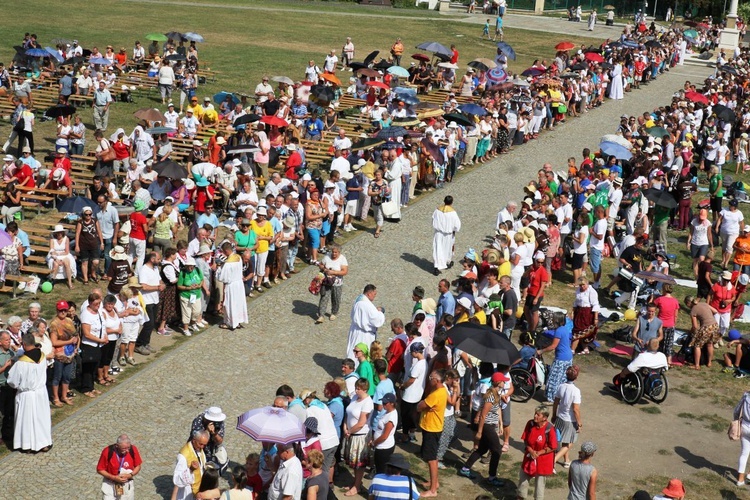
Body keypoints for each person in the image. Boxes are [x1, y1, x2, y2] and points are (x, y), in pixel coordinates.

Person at [458, 371, 508, 488]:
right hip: (487, 426)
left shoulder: (496, 393)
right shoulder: (491, 396)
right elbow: (483, 415)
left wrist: (500, 424)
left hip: (491, 425)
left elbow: (497, 409)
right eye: (503, 381)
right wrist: (479, 432)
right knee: (496, 451)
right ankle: (492, 477)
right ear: (498, 382)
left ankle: (465, 468)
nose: (504, 383)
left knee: (482, 449)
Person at [7, 332, 53, 452]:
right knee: (41, 418)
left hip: (26, 394)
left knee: (26, 420)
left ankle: (27, 445)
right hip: (41, 392)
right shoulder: (42, 356)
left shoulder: (22, 363)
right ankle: (44, 443)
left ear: (25, 344)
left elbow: (12, 381)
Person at [417, 369, 448, 497]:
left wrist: (421, 404)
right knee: (431, 456)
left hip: (432, 429)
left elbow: (420, 406)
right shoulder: (440, 391)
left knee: (431, 459)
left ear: (437, 380)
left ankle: (433, 490)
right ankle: (434, 482)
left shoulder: (435, 394)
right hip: (432, 427)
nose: (429, 379)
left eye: (431, 377)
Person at [517, 406, 558, 500]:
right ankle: (520, 497)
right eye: (535, 413)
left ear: (544, 418)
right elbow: (525, 439)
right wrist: (531, 450)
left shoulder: (549, 429)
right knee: (523, 480)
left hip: (543, 461)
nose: (535, 416)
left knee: (540, 485)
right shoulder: (530, 424)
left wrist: (539, 453)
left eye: (538, 414)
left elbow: (553, 446)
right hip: (529, 457)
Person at [343, 378, 373, 497]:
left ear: (365, 389)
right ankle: (356, 482)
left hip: (360, 436)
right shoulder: (355, 398)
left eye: (359, 389)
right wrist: (345, 427)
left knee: (359, 463)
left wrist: (349, 431)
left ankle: (357, 486)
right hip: (351, 433)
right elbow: (348, 413)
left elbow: (361, 423)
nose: (356, 390)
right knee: (353, 462)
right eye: (356, 388)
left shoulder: (367, 402)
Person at [346, 284, 386, 362]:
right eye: (374, 294)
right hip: (364, 334)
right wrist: (380, 311)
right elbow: (376, 320)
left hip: (355, 330)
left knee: (353, 350)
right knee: (361, 353)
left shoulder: (359, 299)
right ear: (369, 293)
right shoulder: (367, 305)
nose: (374, 296)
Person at [552, 365, 582, 470]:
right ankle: (552, 461)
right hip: (570, 420)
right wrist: (579, 423)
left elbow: (555, 402)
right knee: (569, 443)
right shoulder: (576, 391)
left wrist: (553, 415)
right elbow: (575, 409)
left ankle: (566, 460)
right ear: (576, 377)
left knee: (563, 440)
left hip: (560, 417)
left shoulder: (561, 386)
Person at [97, 434, 143, 500]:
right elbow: (100, 469)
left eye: (128, 448)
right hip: (110, 485)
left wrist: (130, 475)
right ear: (117, 446)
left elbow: (138, 466)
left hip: (127, 485)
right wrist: (114, 478)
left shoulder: (133, 449)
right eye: (124, 448)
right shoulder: (107, 451)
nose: (127, 451)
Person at [216, 242, 248, 330]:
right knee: (238, 303)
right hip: (239, 284)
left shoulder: (228, 264)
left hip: (231, 286)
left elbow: (222, 278)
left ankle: (230, 322)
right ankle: (237, 321)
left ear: (226, 251)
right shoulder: (238, 257)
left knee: (231, 304)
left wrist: (219, 268)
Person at [684, 296, 720, 370]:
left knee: (697, 345)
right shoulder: (704, 303)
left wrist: (691, 332)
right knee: (710, 344)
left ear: (688, 303)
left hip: (706, 327)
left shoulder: (693, 310)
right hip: (714, 325)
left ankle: (697, 365)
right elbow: (715, 311)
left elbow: (695, 326)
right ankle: (709, 363)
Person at [316, 243, 348, 323]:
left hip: (337, 283)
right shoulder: (327, 257)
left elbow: (344, 272)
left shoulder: (342, 259)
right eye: (333, 252)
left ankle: (334, 312)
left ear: (339, 252)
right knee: (324, 298)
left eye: (335, 252)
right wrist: (324, 269)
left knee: (336, 298)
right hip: (326, 282)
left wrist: (333, 272)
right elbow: (321, 265)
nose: (333, 254)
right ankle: (321, 315)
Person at [173, 429, 209, 500]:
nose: (202, 447)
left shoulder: (199, 449)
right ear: (194, 440)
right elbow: (177, 480)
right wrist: (190, 470)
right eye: (200, 444)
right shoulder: (183, 456)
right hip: (187, 492)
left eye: (204, 445)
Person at [190, 407, 227, 471]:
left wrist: (214, 433)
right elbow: (197, 439)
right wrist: (207, 430)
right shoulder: (198, 421)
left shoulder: (220, 423)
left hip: (210, 451)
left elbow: (220, 441)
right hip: (197, 449)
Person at [432, 195, 461, 276]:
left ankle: (437, 266)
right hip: (448, 234)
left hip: (438, 233)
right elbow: (457, 225)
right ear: (451, 202)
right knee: (447, 249)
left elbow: (433, 220)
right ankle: (447, 262)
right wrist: (455, 230)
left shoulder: (437, 211)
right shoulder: (453, 213)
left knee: (438, 249)